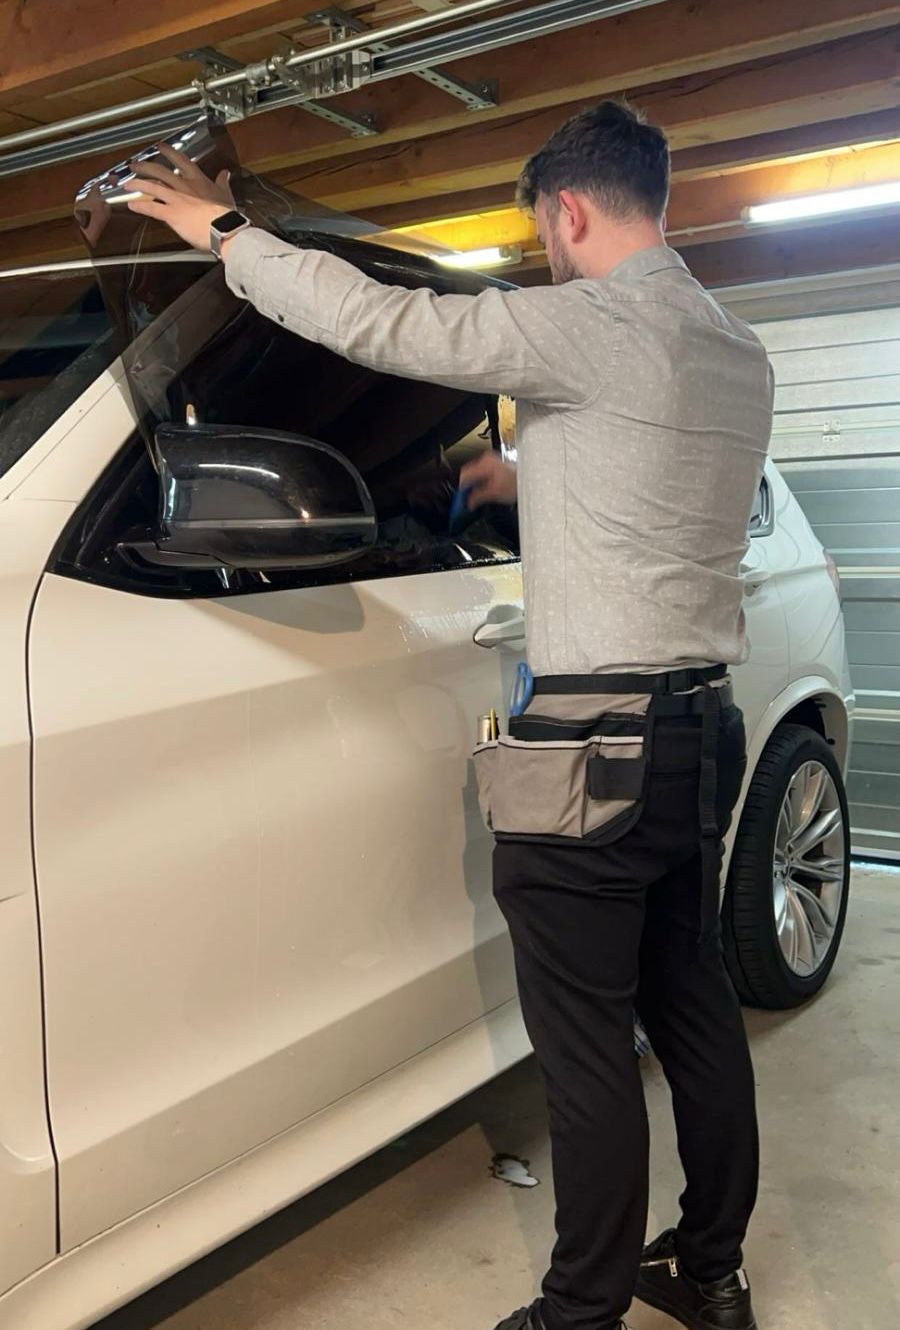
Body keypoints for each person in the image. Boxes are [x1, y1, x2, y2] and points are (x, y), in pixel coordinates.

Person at [129, 100, 773, 1330]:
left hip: (594, 750)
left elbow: (381, 322)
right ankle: (712, 1272)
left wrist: (225, 233)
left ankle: (578, 1311)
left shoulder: (587, 322)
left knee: (585, 1046)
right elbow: (665, 483)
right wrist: (530, 476)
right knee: (694, 1006)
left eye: (540, 232)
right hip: (702, 731)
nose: (545, 251)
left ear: (566, 210)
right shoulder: (735, 347)